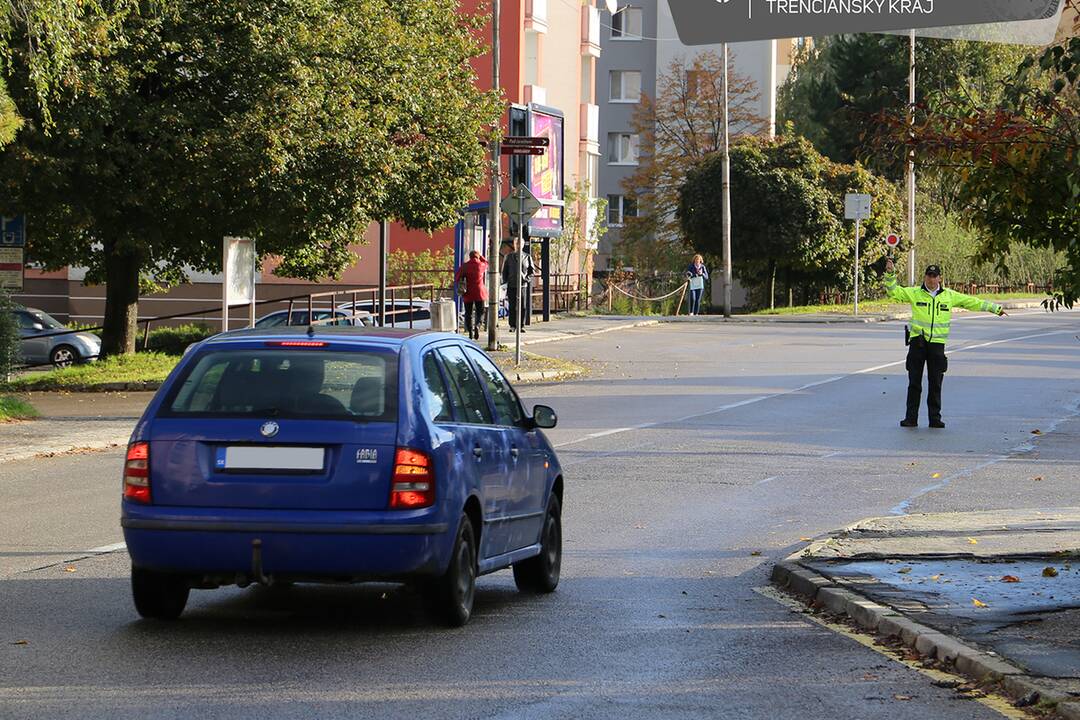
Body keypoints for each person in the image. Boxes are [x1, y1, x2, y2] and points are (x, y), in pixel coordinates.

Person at [884, 259, 1007, 429]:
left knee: (935, 383)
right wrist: (890, 273)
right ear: (925, 277)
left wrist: (995, 308)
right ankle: (911, 418)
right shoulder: (914, 293)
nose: (931, 279)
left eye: (934, 276)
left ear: (940, 278)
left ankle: (935, 418)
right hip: (917, 344)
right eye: (929, 276)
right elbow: (893, 292)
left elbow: (971, 302)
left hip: (937, 345)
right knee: (914, 383)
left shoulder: (949, 296)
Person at [501, 238, 535, 333]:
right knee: (512, 306)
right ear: (514, 244)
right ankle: (512, 325)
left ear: (523, 245)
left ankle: (521, 325)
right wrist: (505, 282)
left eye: (520, 243)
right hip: (512, 285)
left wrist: (526, 279)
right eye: (517, 243)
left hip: (522, 285)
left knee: (522, 306)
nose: (518, 245)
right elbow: (504, 271)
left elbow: (532, 272)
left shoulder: (527, 257)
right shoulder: (509, 257)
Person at [454, 250, 488, 340]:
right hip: (479, 292)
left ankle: (470, 332)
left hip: (468, 293)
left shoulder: (465, 266)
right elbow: (486, 262)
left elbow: (457, 277)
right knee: (480, 311)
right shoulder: (481, 265)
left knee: (468, 313)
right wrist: (481, 256)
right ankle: (477, 325)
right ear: (477, 256)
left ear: (470, 256)